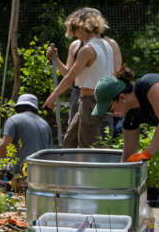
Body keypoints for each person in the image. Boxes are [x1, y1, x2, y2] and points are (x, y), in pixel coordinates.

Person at [93, 69, 159, 207]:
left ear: (122, 97)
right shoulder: (130, 118)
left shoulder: (150, 84)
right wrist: (117, 188)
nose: (111, 114)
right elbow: (127, 158)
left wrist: (146, 153)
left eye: (110, 109)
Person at [43, 8, 115, 148]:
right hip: (99, 101)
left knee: (88, 149)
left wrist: (52, 96)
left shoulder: (87, 49)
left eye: (73, 29)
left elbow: (70, 78)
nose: (73, 34)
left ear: (82, 26)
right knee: (69, 142)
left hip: (90, 102)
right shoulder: (107, 46)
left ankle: (89, 170)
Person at [47, 16, 122, 123]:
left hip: (102, 95)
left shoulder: (110, 44)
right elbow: (69, 75)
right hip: (79, 93)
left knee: (101, 133)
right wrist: (56, 59)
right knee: (75, 133)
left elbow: (117, 74)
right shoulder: (76, 45)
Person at [0, 94, 52, 178]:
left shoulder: (13, 120)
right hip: (43, 174)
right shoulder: (46, 125)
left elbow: (4, 146)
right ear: (35, 109)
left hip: (20, 172)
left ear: (18, 107)